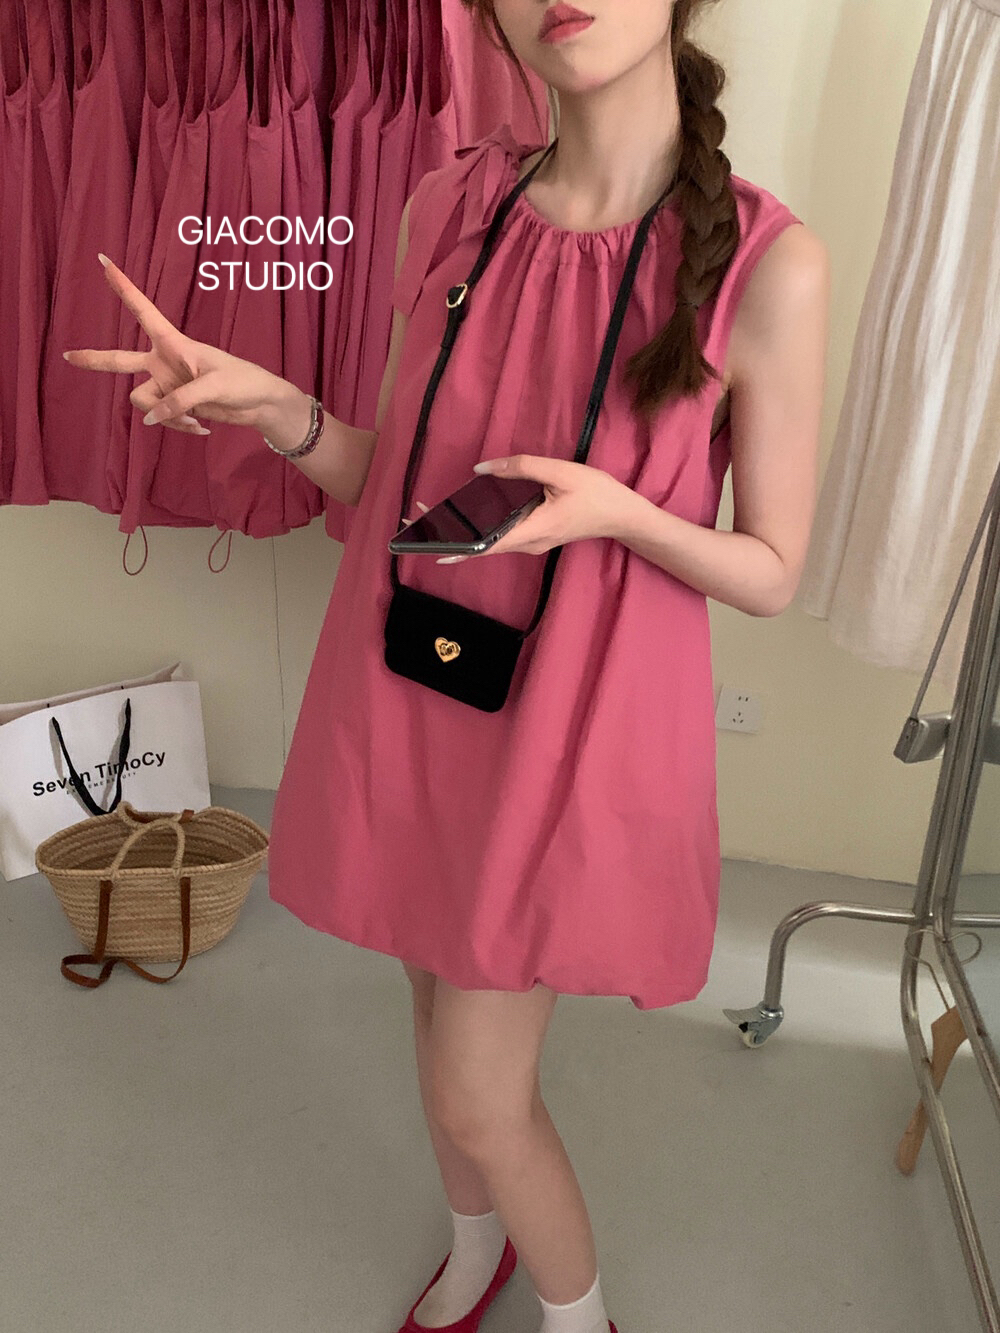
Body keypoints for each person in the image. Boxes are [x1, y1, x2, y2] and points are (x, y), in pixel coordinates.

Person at [65, 3, 830, 1330]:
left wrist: (620, 514)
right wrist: (281, 411)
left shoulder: (768, 265)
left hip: (565, 725)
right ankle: (476, 1249)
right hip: (414, 686)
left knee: (481, 1089)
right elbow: (406, 488)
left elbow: (771, 568)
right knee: (428, 1020)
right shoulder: (452, 209)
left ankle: (580, 1314)